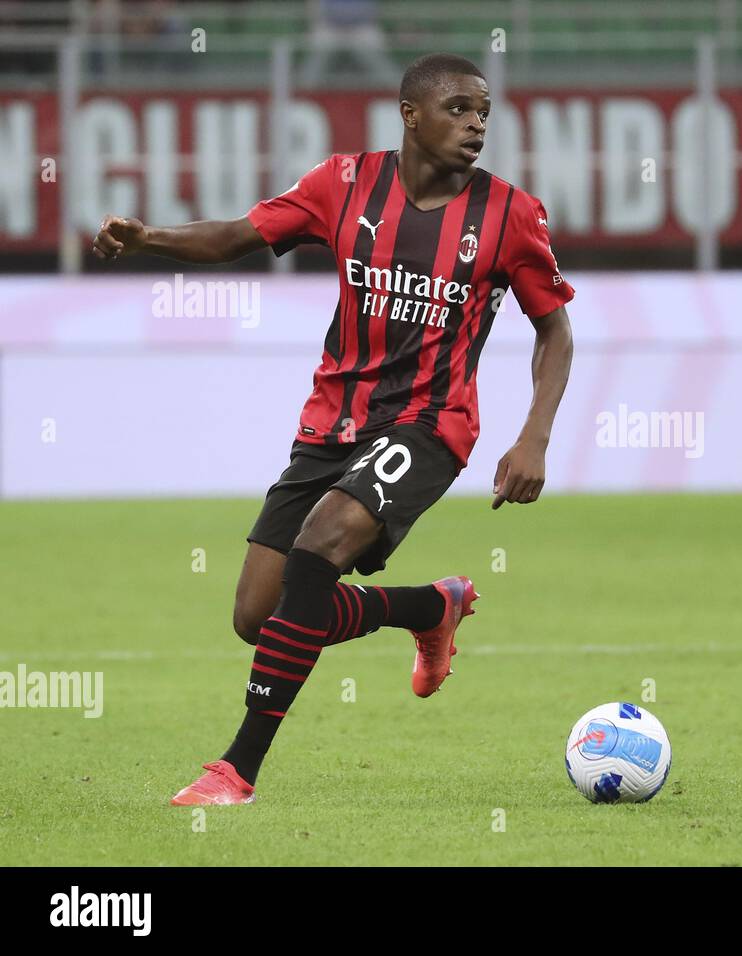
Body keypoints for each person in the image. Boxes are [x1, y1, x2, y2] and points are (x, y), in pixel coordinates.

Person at [92, 53, 575, 806]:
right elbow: (234, 236)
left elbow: (555, 332)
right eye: (457, 107)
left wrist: (535, 436)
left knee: (321, 545)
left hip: (429, 424)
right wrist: (147, 237)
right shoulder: (342, 184)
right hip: (332, 420)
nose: (477, 122)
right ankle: (427, 608)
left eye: (483, 110)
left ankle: (236, 770)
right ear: (410, 115)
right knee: (260, 615)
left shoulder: (511, 214)